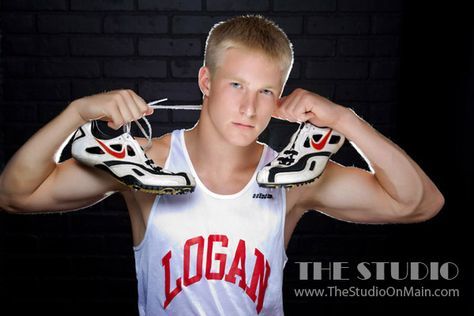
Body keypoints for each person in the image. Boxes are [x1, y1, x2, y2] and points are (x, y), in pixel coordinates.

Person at [0, 15, 444, 315]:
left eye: (266, 91)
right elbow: (15, 195)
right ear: (205, 81)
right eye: (236, 84)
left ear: (281, 97)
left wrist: (347, 120)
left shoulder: (294, 177)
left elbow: (420, 204)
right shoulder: (144, 164)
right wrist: (77, 113)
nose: (250, 108)